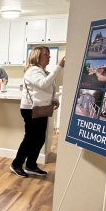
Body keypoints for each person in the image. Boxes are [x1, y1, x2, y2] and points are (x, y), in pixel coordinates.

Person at [10, 46, 65, 178]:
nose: (49, 57)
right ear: (37, 56)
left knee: (39, 139)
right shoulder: (33, 70)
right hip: (31, 109)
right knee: (30, 139)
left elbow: (48, 88)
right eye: (46, 54)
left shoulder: (42, 71)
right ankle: (16, 164)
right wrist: (59, 67)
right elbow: (44, 84)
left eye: (49, 54)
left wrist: (54, 99)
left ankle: (31, 165)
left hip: (41, 109)